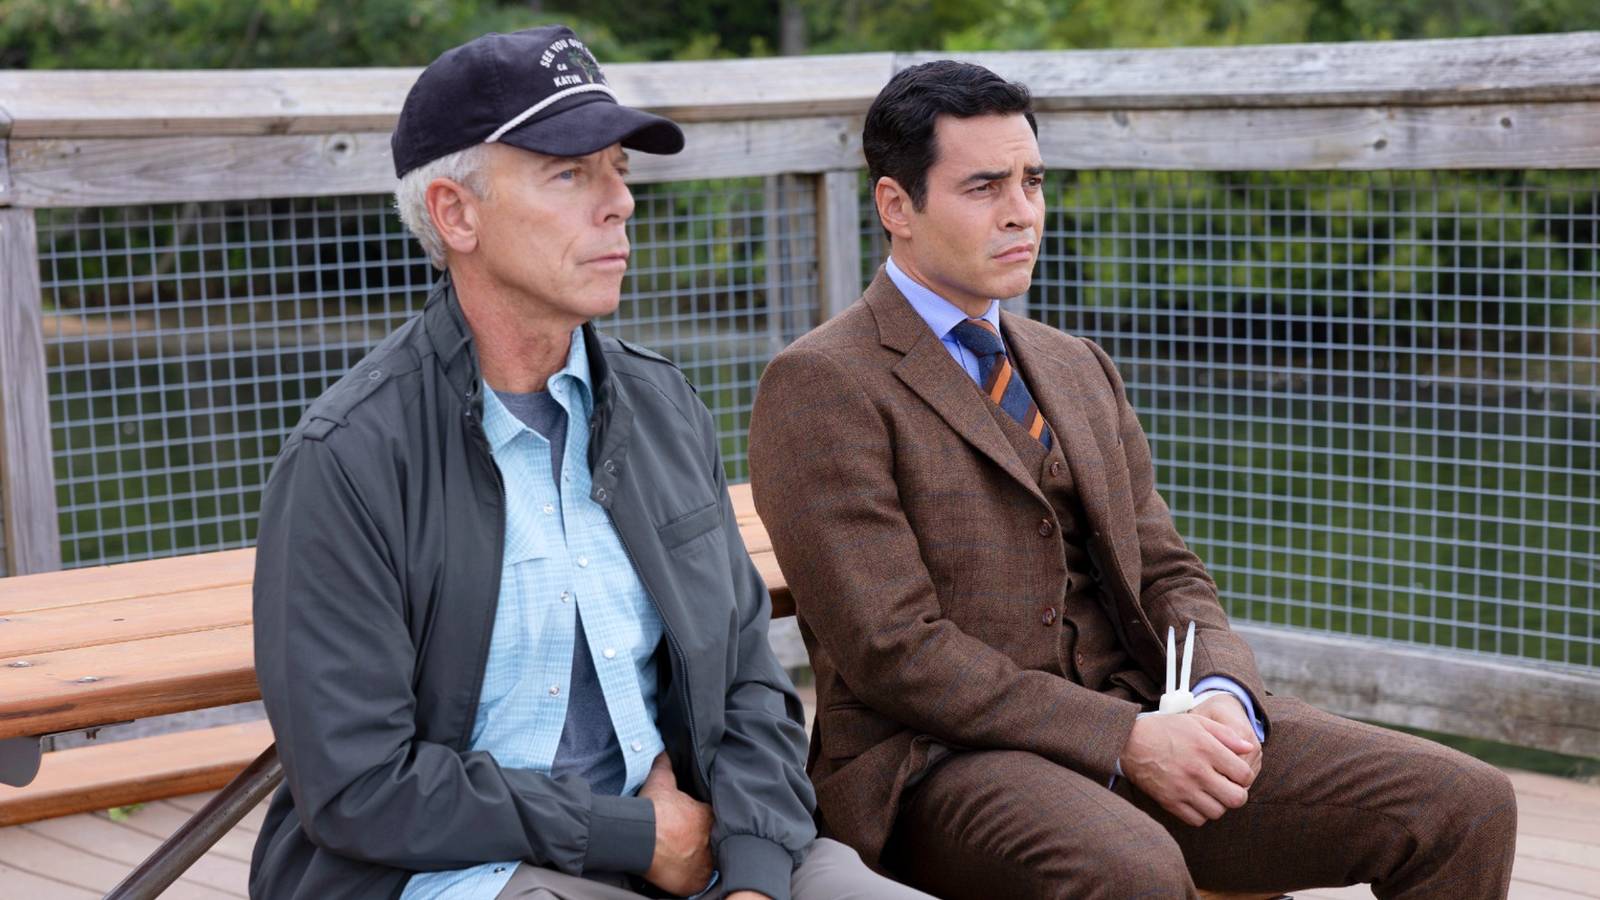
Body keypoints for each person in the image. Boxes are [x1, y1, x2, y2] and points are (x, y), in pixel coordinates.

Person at [747, 59, 1518, 900]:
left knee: (1464, 802)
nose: (1022, 213)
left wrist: (1225, 693)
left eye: (1032, 181)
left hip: (1155, 709)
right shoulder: (822, 383)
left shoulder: (1077, 366)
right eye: (984, 187)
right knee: (1130, 871)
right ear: (897, 206)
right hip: (938, 763)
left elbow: (1167, 571)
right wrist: (1124, 738)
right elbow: (895, 654)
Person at [249, 25, 931, 900]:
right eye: (570, 174)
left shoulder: (660, 409)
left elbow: (750, 689)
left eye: (620, 169)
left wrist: (756, 875)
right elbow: (358, 786)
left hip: (701, 846)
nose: (619, 202)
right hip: (458, 871)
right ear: (457, 213)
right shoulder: (345, 460)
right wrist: (628, 834)